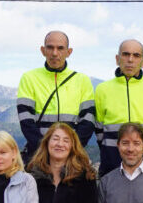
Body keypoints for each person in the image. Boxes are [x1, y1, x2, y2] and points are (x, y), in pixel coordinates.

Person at [16, 30, 96, 161]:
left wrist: (72, 148)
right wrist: (43, 149)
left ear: (69, 52)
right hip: (39, 156)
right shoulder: (29, 78)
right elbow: (26, 120)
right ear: (43, 50)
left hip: (72, 156)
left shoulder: (82, 80)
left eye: (60, 48)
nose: (54, 53)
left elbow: (88, 120)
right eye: (50, 47)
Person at [94, 39, 143, 175]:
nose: (130, 59)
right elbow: (99, 131)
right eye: (126, 54)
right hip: (111, 163)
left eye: (136, 55)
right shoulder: (102, 89)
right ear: (117, 59)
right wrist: (109, 150)